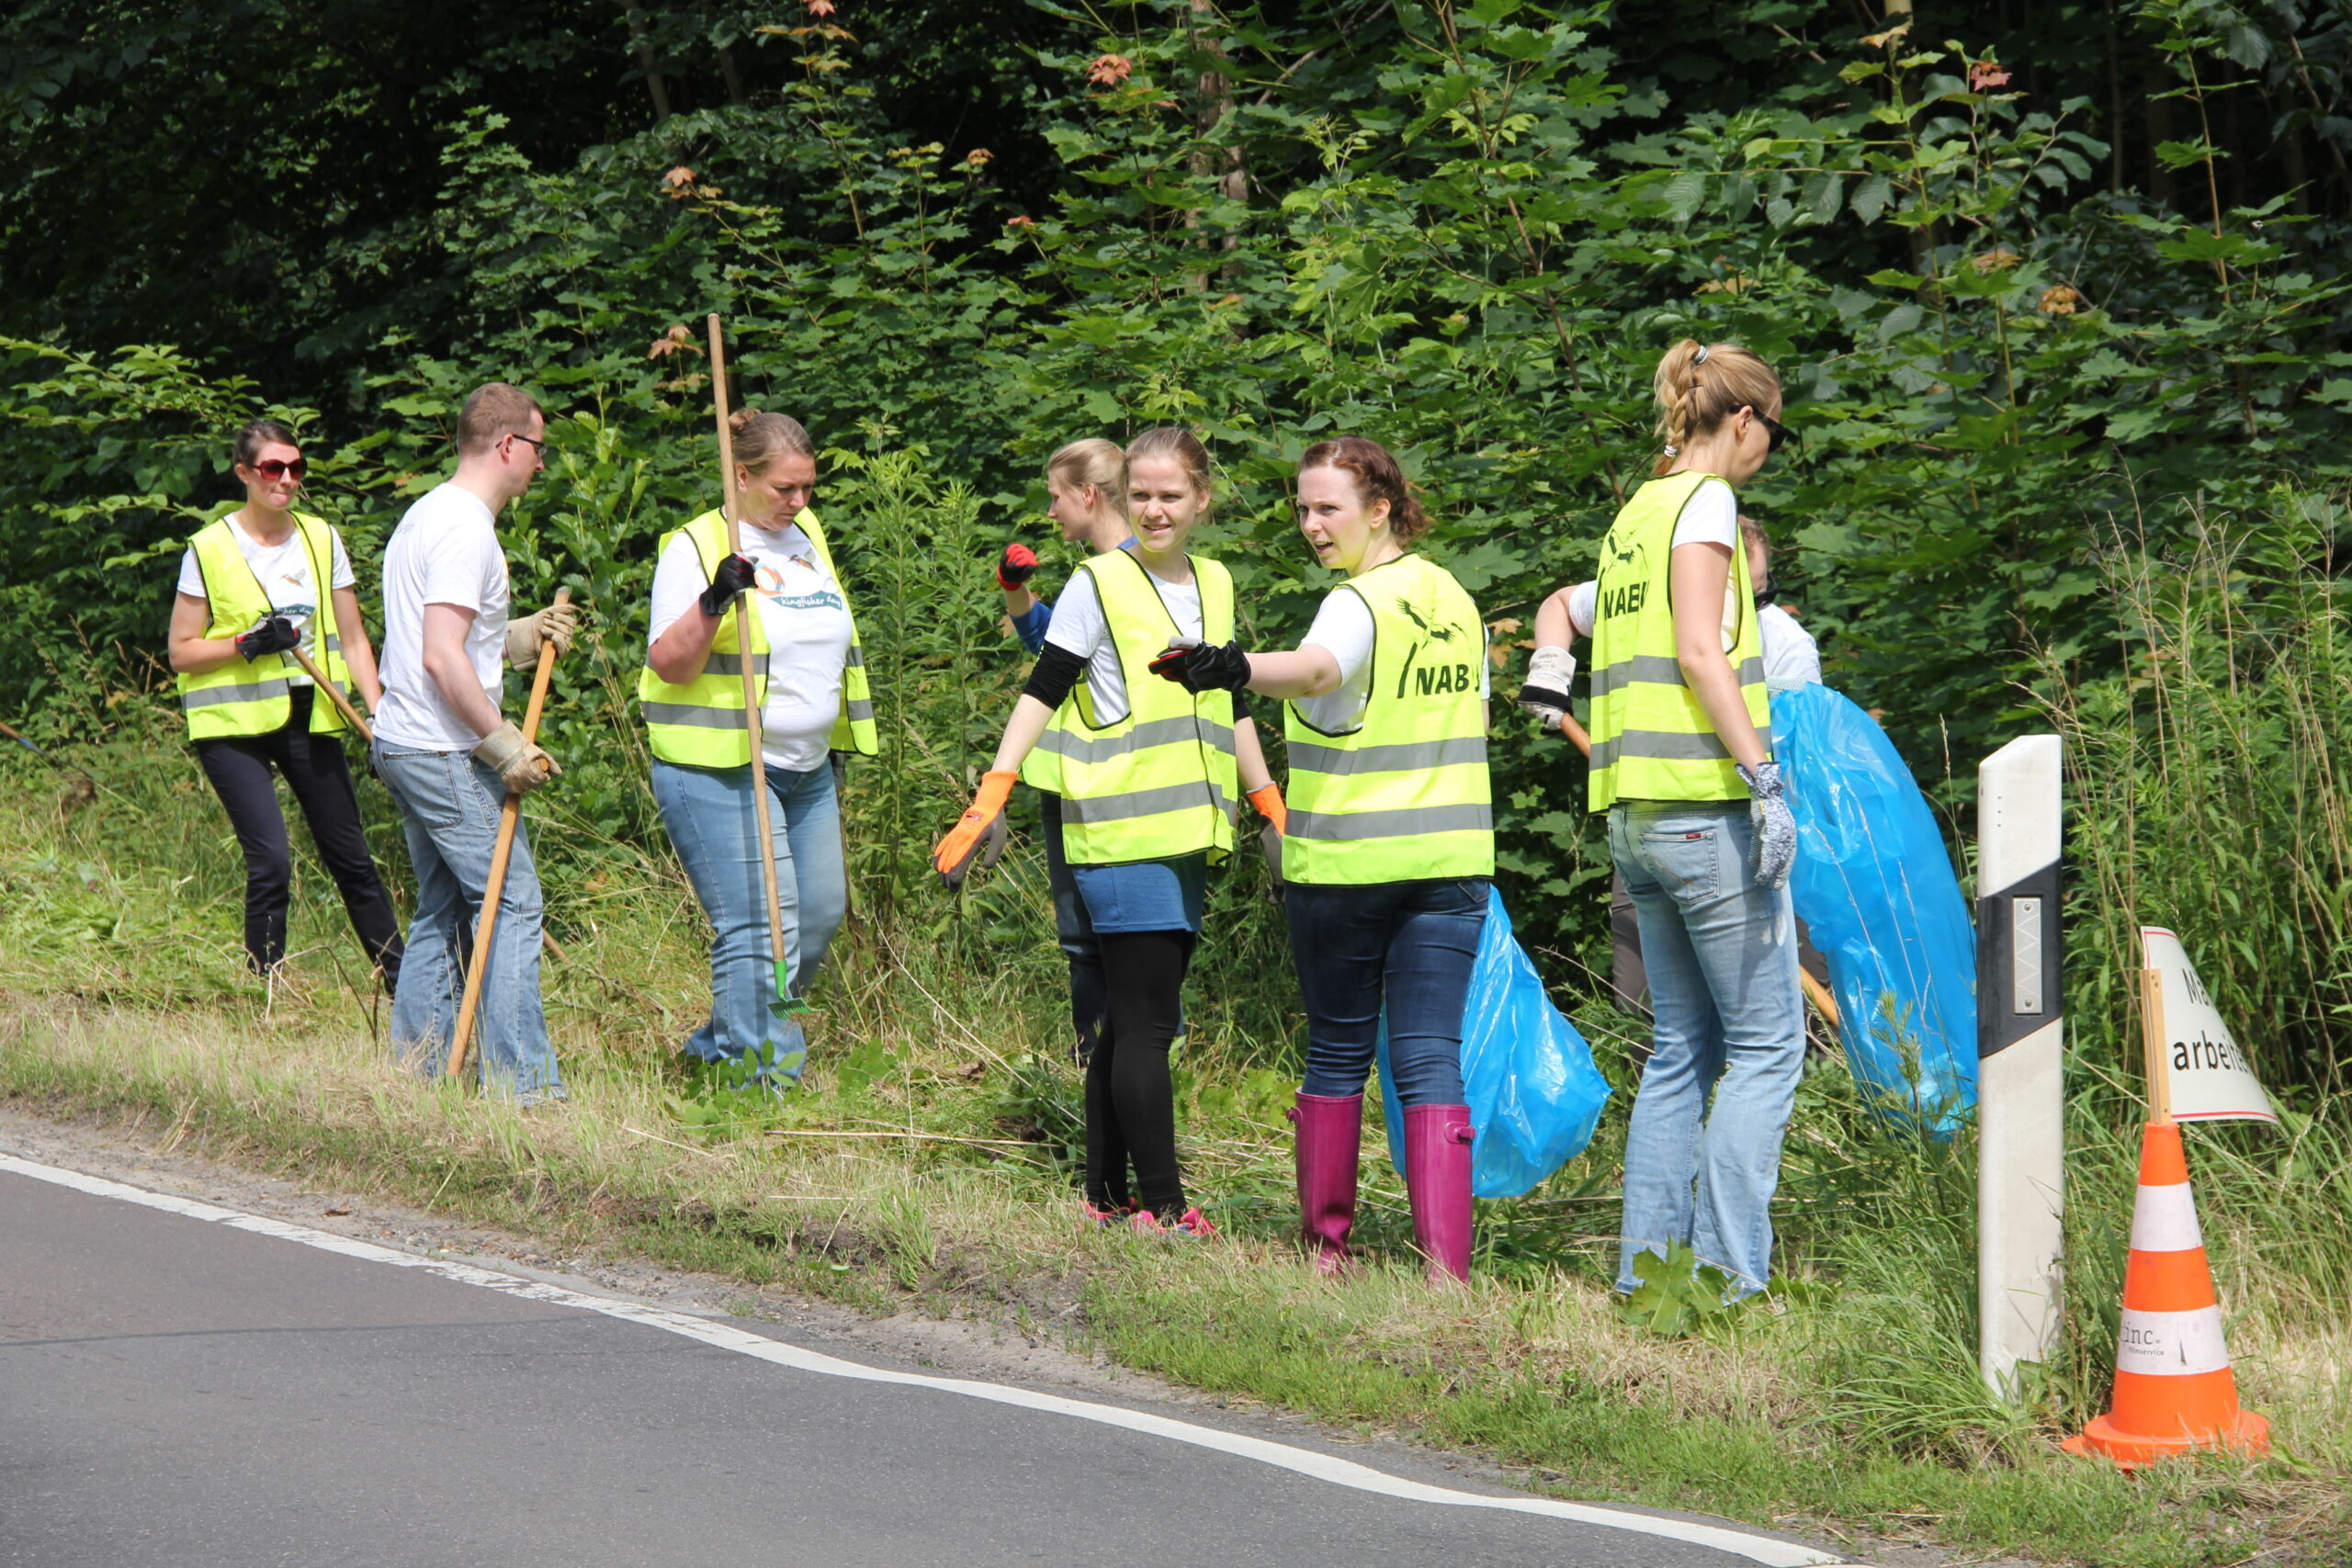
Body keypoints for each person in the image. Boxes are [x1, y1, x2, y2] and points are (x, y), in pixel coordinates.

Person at [1151, 436, 1492, 1283]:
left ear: (1381, 507)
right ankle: (1446, 1270)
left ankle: (1327, 1254)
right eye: (1303, 508)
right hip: (1451, 862)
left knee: (1339, 1051)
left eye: (1327, 507)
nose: (1311, 524)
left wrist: (1230, 666)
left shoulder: (1357, 601)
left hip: (1347, 865)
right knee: (1431, 1057)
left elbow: (1315, 671)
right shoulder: (1453, 598)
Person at [934, 427, 1280, 1237]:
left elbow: (1230, 701)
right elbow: (1043, 687)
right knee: (1150, 1023)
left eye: (1173, 495)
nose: (1156, 509)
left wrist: (1265, 800)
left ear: (1202, 500)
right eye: (1144, 495)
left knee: (1127, 1020)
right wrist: (995, 789)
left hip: (1186, 831)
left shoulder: (1216, 582)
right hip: (1119, 831)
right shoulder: (1099, 582)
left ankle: (1103, 1194)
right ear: (1125, 497)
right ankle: (1163, 1208)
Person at [1583, 338, 1803, 1300]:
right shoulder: (1709, 501)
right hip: (1702, 808)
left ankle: (1646, 1277)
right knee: (1766, 1049)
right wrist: (1763, 778)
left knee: (1681, 1047)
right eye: (1773, 434)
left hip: (1632, 810)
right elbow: (1699, 653)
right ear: (1744, 419)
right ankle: (1723, 1281)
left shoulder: (1637, 509)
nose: (1767, 456)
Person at [640, 410, 876, 1087]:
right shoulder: (692, 545)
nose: (799, 501)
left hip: (807, 770)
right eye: (784, 488)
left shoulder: (807, 537)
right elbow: (670, 664)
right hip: (724, 766)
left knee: (820, 914)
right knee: (758, 927)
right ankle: (763, 1080)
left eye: (808, 487)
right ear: (740, 476)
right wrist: (716, 597)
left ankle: (720, 1040)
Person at [1517, 514, 1822, 1017]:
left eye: (1762, 593)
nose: (1757, 609)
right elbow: (1560, 605)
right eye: (1745, 595)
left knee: (1774, 1010)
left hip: (1748, 822)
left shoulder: (1784, 643)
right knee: (1652, 1014)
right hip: (1647, 818)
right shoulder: (1645, 599)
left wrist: (1772, 806)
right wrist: (1550, 665)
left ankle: (1813, 1088)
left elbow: (1799, 750)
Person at [369, 383, 576, 1103]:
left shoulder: (429, 514)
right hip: (441, 749)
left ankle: (418, 1074)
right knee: (511, 902)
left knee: (448, 906)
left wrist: (521, 637)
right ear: (508, 445)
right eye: (539, 449)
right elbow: (441, 657)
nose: (541, 466)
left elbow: (460, 642)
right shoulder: (466, 531)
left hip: (405, 740)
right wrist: (503, 744)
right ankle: (525, 1088)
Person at [167, 420, 403, 991]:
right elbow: (180, 651)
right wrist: (244, 644)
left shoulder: (322, 539)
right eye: (273, 468)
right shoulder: (210, 547)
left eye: (296, 468)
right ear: (245, 472)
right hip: (233, 726)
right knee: (271, 860)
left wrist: (379, 714)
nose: (287, 479)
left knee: (353, 859)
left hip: (311, 714)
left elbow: (352, 638)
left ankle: (407, 987)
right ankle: (264, 990)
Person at [985, 440, 1137, 1067]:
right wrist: (1014, 589)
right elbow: (1047, 645)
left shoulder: (1134, 576)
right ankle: (1093, 1072)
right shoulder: (1091, 577)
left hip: (1127, 785)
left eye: (1055, 495)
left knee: (1131, 943)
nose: (1049, 511)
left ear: (1088, 494)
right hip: (1069, 786)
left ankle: (1143, 1070)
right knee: (1083, 944)